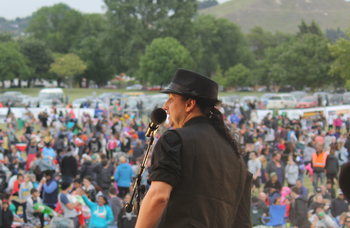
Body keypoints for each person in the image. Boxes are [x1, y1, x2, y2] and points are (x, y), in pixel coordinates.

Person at [136, 69, 252, 228]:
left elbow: (158, 197)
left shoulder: (174, 140)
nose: (165, 107)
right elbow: (243, 222)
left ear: (189, 104)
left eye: (171, 99)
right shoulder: (235, 156)